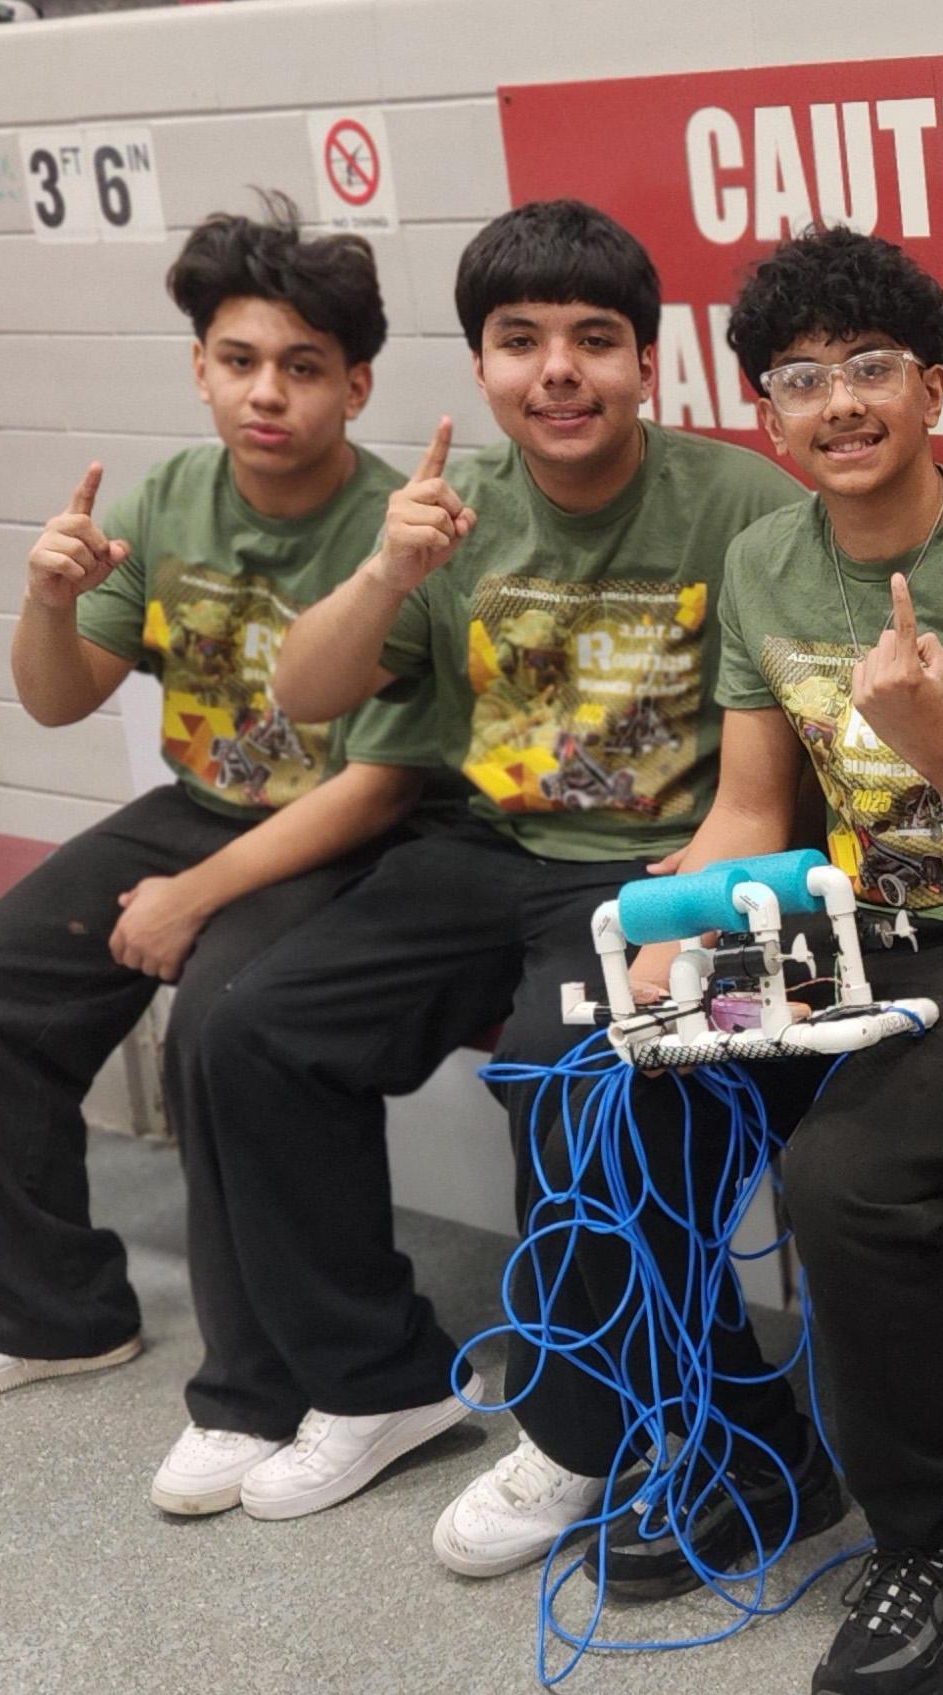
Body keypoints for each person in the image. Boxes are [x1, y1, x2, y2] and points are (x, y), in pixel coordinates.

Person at [185, 198, 805, 1535]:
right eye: (521, 342)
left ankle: (578, 1433)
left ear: (647, 363)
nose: (558, 372)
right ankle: (375, 1382)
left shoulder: (741, 504)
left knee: (560, 1078)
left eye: (594, 340)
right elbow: (304, 694)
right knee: (251, 1029)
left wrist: (690, 902)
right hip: (479, 849)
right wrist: (385, 573)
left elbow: (785, 759)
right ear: (481, 367)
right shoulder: (448, 509)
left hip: (654, 865)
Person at [0, 200, 427, 1522]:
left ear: (356, 385)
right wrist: (47, 602)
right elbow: (57, 699)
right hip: (200, 804)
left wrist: (197, 896)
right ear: (199, 368)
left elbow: (381, 786)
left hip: (345, 835)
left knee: (223, 1031)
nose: (267, 393)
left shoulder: (399, 526)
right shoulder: (169, 499)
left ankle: (258, 1386)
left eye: (303, 367)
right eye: (239, 360)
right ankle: (52, 1310)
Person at [643, 225, 943, 1695]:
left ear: (932, 384)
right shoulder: (764, 562)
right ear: (766, 415)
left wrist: (938, 746)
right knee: (634, 1086)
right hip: (839, 924)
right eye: (800, 378)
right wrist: (675, 929)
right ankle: (750, 1453)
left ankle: (931, 1547)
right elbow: (749, 809)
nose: (838, 402)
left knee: (845, 1173)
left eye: (870, 367)